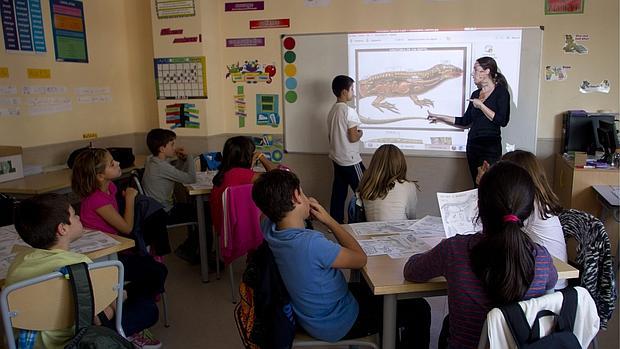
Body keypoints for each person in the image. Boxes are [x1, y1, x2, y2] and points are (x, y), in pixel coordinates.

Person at [252, 170, 430, 348]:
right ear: (296, 197)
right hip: (337, 322)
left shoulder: (269, 228)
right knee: (419, 308)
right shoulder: (311, 244)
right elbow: (360, 259)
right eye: (303, 192)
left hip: (311, 314)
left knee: (375, 293)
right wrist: (329, 220)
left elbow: (265, 213)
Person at [404, 161, 558, 349]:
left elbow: (411, 271)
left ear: (478, 206)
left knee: (446, 325)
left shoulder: (455, 250)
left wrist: (439, 253)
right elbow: (551, 288)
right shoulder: (541, 258)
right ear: (528, 210)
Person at [6, 194, 161, 349]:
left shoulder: (17, 263)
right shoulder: (78, 266)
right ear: (63, 228)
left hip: (30, 344)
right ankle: (126, 334)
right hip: (74, 342)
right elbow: (96, 318)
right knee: (147, 308)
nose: (79, 217)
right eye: (74, 215)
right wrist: (118, 301)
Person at [71, 148, 167, 346]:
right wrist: (131, 199)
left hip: (115, 250)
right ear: (99, 176)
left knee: (155, 271)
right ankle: (120, 315)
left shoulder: (111, 188)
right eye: (112, 163)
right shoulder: (96, 199)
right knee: (154, 272)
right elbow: (126, 227)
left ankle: (120, 303)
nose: (117, 164)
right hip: (102, 259)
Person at [479, 150, 567, 289]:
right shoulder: (539, 202)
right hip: (548, 279)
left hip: (546, 286)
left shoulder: (530, 206)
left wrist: (486, 187)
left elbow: (491, 227)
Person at [427, 57, 510, 185]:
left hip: (490, 147)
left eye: (476, 70)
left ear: (487, 71)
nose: (472, 73)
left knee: (489, 186)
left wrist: (481, 106)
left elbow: (502, 120)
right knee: (476, 184)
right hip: (473, 145)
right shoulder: (475, 94)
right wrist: (439, 117)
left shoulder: (501, 92)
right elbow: (465, 121)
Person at [141, 128, 201, 264]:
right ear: (162, 148)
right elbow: (191, 178)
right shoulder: (161, 166)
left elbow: (174, 172)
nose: (174, 147)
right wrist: (190, 157)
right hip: (165, 212)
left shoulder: (150, 159)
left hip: (155, 209)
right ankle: (190, 250)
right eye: (172, 144)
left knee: (195, 210)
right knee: (203, 214)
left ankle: (191, 248)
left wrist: (181, 160)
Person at [210, 136, 277, 240]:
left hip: (222, 228)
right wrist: (261, 156)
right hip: (238, 230)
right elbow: (277, 175)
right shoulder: (245, 175)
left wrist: (249, 166)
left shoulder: (223, 174)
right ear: (247, 156)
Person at [327, 75, 365, 223]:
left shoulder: (332, 110)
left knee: (339, 192)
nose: (353, 93)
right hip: (350, 159)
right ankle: (366, 222)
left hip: (337, 157)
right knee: (365, 190)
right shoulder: (349, 111)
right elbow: (353, 137)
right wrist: (361, 133)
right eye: (352, 89)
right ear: (344, 91)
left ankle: (335, 223)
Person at [358, 144, 419, 221]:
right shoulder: (409, 186)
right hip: (400, 231)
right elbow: (412, 217)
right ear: (401, 163)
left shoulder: (367, 185)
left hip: (371, 231)